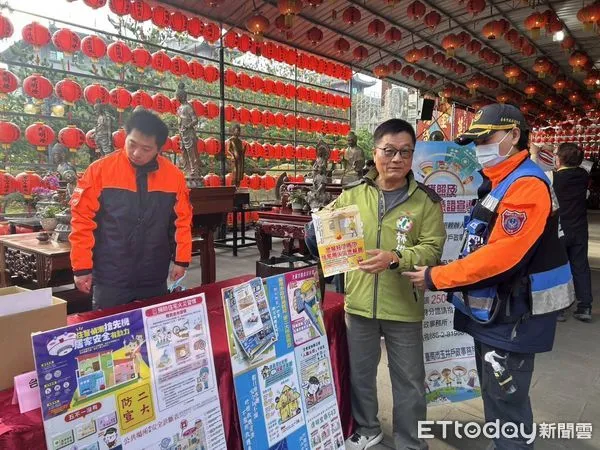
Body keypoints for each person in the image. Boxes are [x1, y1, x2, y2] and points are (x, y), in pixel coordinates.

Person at [404, 104, 574, 450]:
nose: (480, 147)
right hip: (497, 313)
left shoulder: (526, 186)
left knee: (506, 400)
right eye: (476, 140)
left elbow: (501, 258)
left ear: (514, 136)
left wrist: (438, 277)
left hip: (514, 316)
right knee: (497, 396)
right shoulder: (501, 181)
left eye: (487, 138)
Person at [306, 119, 446, 450]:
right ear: (375, 152)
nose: (396, 159)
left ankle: (411, 442)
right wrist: (316, 232)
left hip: (403, 304)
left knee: (410, 381)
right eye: (389, 150)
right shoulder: (352, 194)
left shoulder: (426, 201)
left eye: (405, 152)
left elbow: (433, 248)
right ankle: (368, 428)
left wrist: (395, 257)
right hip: (358, 300)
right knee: (361, 374)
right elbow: (328, 234)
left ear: (412, 156)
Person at [70, 109, 192, 310]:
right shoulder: (100, 170)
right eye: (132, 144)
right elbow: (82, 220)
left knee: (153, 330)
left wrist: (181, 260)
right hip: (111, 274)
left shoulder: (173, 176)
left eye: (146, 149)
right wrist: (81, 267)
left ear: (158, 149)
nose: (137, 153)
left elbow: (182, 221)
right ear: (125, 136)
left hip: (153, 273)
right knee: (112, 331)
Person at [553, 142, 593, 322]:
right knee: (581, 267)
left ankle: (560, 309)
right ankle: (585, 306)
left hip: (560, 230)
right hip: (579, 230)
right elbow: (585, 164)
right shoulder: (584, 175)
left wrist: (539, 152)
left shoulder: (553, 177)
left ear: (559, 159)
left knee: (560, 268)